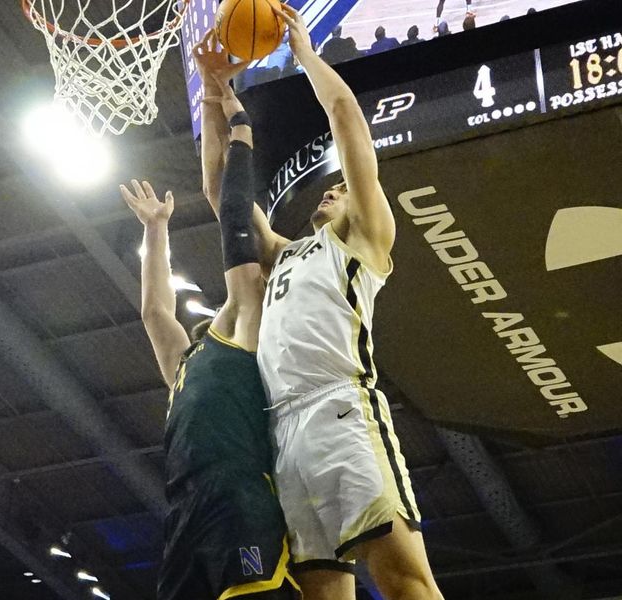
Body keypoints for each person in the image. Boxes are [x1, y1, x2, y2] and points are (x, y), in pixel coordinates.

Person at [202, 4, 444, 600]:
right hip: (281, 430)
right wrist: (212, 95)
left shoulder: (363, 240)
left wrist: (305, 55)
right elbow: (221, 192)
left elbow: (345, 119)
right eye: (330, 186)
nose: (334, 187)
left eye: (342, 188)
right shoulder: (283, 253)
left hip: (341, 411)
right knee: (322, 594)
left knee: (402, 579)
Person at [119, 30, 300, 600]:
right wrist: (155, 231)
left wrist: (236, 122)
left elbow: (231, 215)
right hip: (183, 510)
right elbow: (154, 312)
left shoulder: (247, 322)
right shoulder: (186, 364)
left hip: (238, 497)